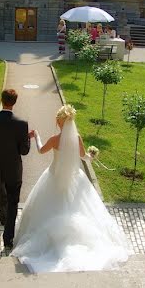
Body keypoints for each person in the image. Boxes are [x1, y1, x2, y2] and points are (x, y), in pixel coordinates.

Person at [12, 105, 129, 272]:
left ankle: (54, 240)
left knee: (49, 208)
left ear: (59, 121)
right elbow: (83, 157)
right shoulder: (77, 138)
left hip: (54, 177)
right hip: (75, 179)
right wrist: (92, 154)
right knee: (79, 208)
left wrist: (36, 136)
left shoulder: (54, 139)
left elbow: (40, 150)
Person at [0, 89, 34, 252]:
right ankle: (8, 238)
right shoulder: (21, 124)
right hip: (15, 170)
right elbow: (24, 151)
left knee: (1, 190)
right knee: (13, 201)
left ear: (1, 100)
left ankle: (2, 218)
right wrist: (28, 138)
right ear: (15, 102)